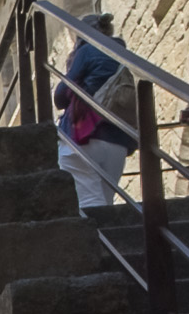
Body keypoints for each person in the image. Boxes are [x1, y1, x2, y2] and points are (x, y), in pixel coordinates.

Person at [53, 12, 138, 209]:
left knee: (87, 200)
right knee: (105, 201)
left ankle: (97, 230)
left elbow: (61, 94)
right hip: (118, 139)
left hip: (84, 135)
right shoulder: (120, 54)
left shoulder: (87, 51)